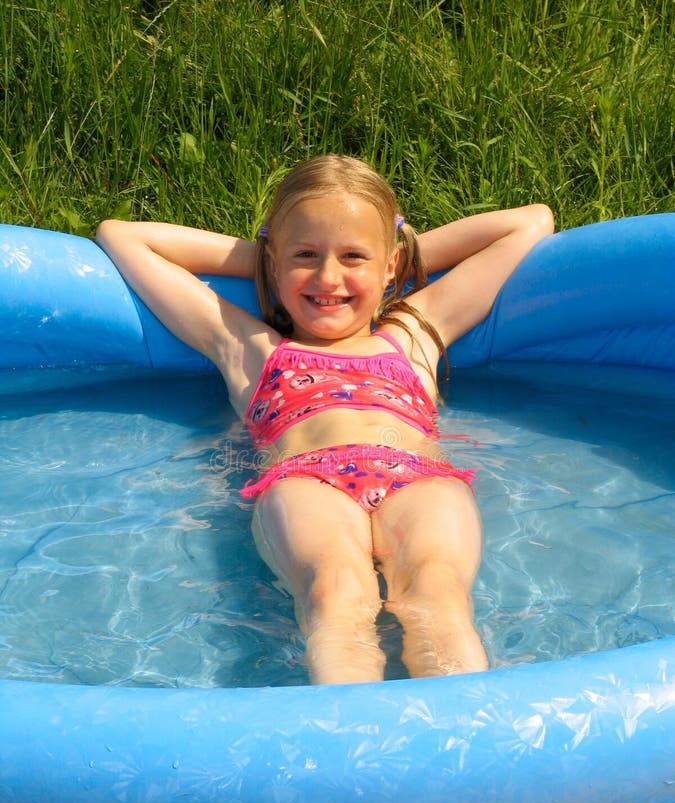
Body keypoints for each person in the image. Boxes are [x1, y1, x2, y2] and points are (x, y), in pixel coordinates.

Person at [96, 155, 553, 684]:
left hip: (419, 479)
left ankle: (459, 743)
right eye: (306, 256)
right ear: (273, 263)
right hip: (308, 481)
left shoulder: (414, 334)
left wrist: (396, 255)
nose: (328, 277)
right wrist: (271, 258)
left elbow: (530, 222)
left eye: (353, 256)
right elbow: (123, 236)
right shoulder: (249, 346)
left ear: (390, 267)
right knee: (337, 590)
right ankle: (354, 750)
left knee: (437, 591)